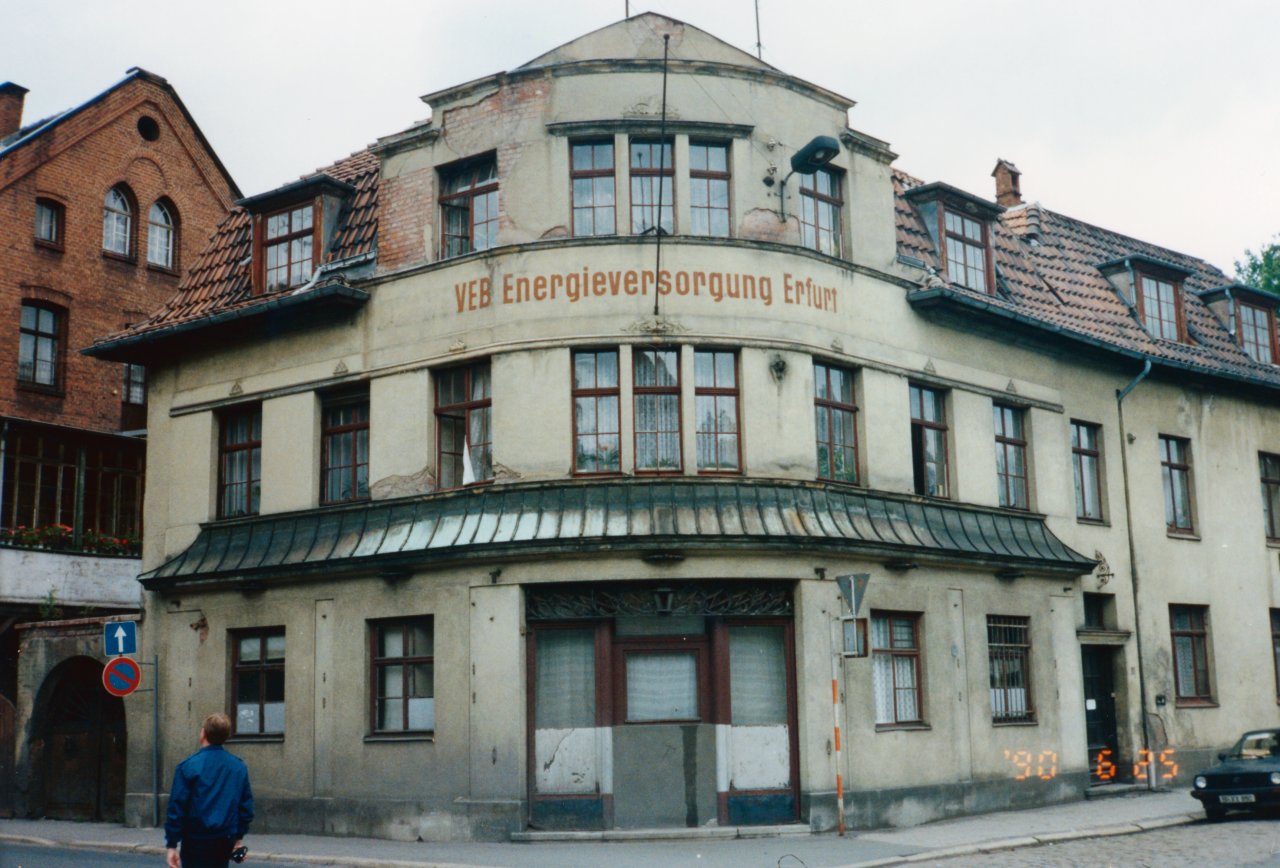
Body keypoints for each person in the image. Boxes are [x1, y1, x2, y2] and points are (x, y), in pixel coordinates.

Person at [164, 712, 254, 868]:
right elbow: (245, 808)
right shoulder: (238, 767)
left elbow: (177, 807)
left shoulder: (188, 767)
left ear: (203, 733)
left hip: (195, 839)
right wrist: (238, 838)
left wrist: (172, 844)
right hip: (224, 838)